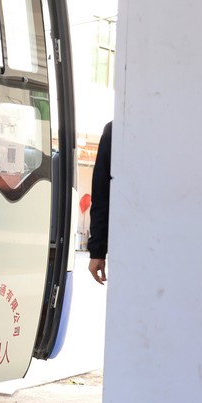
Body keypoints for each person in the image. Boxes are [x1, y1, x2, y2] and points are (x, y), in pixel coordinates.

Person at [88, 121, 112, 284]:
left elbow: (101, 193)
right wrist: (97, 250)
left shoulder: (116, 129)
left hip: (129, 240)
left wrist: (97, 251)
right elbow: (102, 193)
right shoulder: (115, 131)